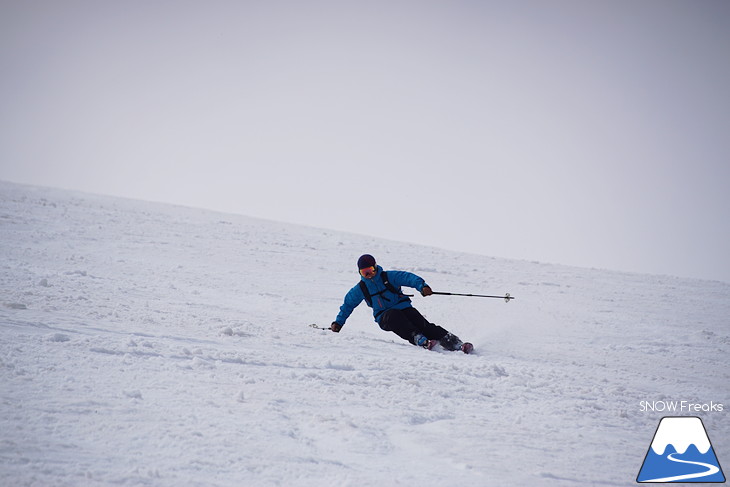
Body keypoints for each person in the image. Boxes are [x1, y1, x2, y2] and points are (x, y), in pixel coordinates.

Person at [330, 254, 472, 352]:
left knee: (423, 324)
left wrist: (422, 287)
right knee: (394, 316)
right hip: (384, 317)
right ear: (360, 273)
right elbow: (348, 305)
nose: (369, 275)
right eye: (365, 272)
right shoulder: (360, 288)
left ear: (376, 267)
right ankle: (419, 339)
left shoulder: (389, 276)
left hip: (403, 308)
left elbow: (408, 277)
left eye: (371, 270)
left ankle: (456, 344)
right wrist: (338, 323)